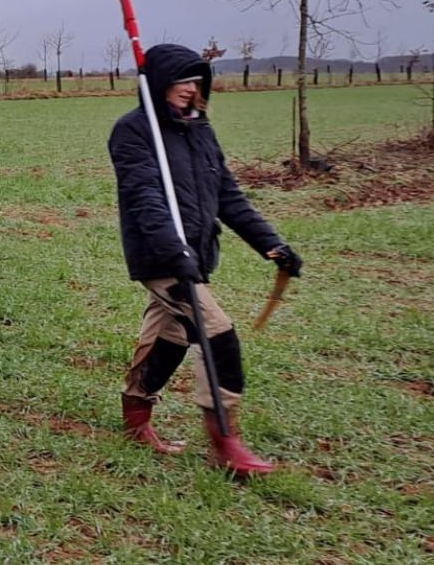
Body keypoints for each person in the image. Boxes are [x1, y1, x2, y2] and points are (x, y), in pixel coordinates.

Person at [109, 43, 303, 477]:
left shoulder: (199, 130)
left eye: (197, 80)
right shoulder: (134, 131)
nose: (189, 88)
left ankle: (135, 421)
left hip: (196, 256)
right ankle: (226, 445)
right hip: (163, 259)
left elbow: (228, 197)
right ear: (158, 83)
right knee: (217, 335)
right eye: (181, 79)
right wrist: (173, 251)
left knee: (170, 338)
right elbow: (145, 199)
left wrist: (271, 244)